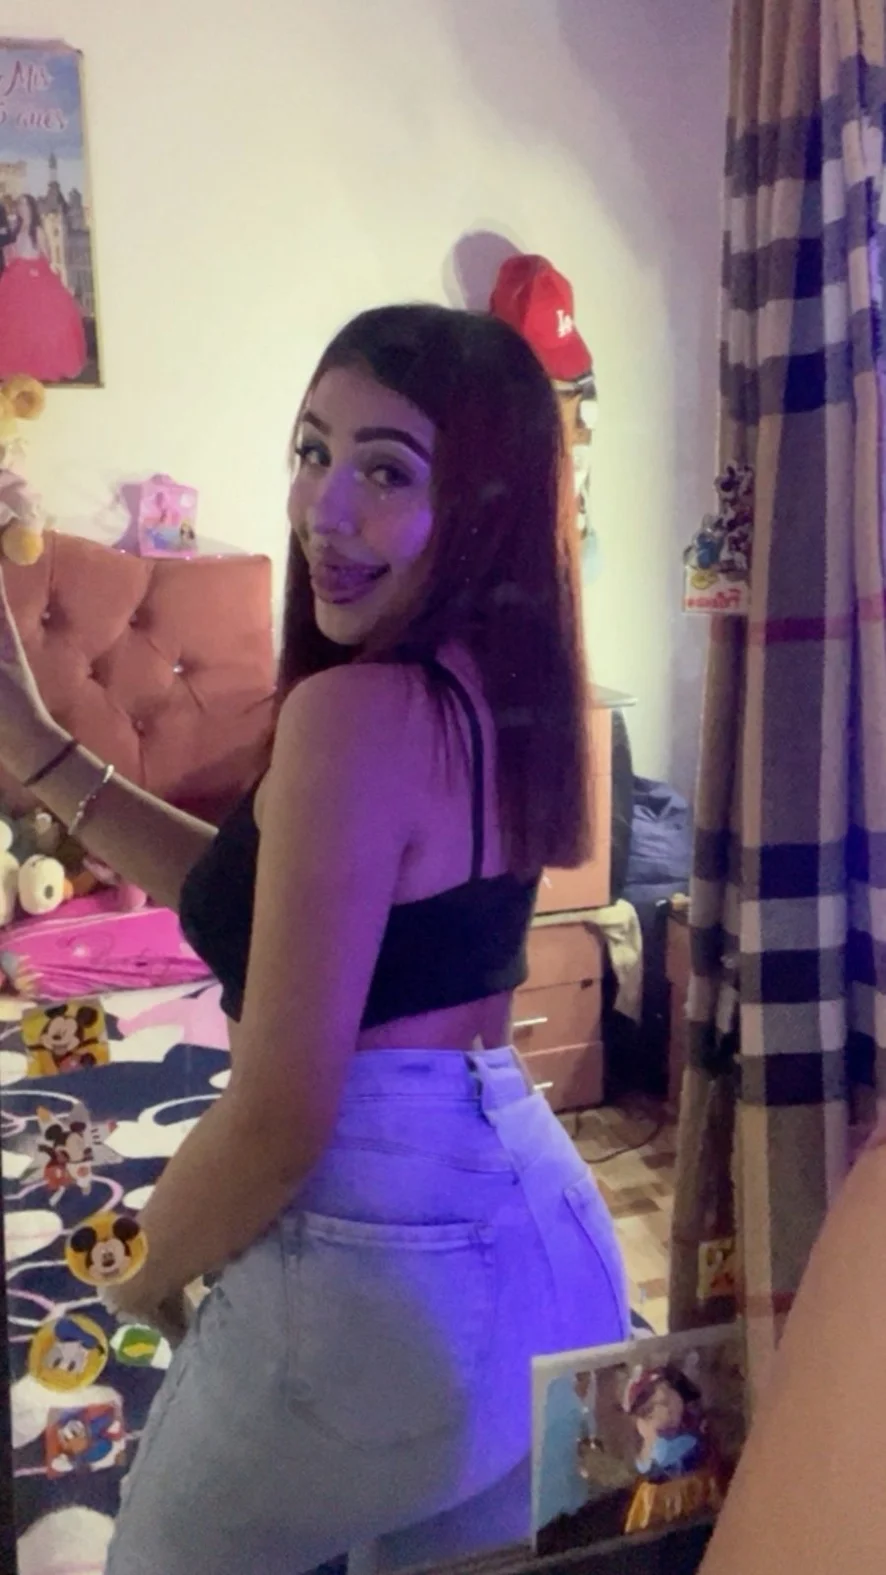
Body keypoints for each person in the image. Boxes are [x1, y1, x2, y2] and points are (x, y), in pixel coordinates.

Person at [0, 303, 629, 1573]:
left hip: (384, 1267)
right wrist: (41, 745)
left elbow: (279, 1120)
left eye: (386, 472)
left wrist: (139, 1269)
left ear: (483, 505)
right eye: (311, 451)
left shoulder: (353, 714)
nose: (322, 510)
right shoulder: (494, 694)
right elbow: (260, 895)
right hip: (551, 1248)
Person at [0, 193, 87, 381]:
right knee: (16, 325)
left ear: (31, 207)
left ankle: (40, 365)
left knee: (37, 322)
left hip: (33, 278)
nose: (21, 208)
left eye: (25, 204)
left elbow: (46, 256)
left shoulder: (37, 230)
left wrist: (35, 270)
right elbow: (15, 252)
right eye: (19, 204)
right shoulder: (17, 229)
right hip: (16, 277)